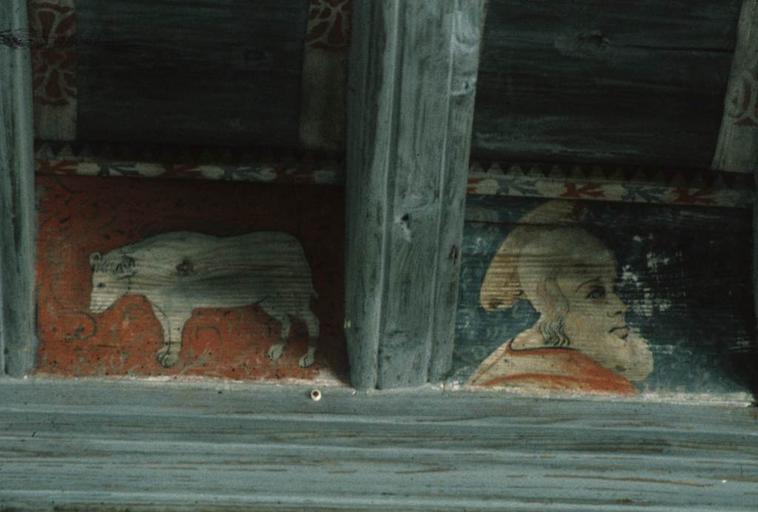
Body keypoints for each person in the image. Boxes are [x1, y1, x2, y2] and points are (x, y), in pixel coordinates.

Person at [468, 201, 653, 395]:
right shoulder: (586, 385)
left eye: (613, 288)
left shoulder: (510, 356)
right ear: (553, 303)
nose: (620, 306)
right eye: (595, 293)